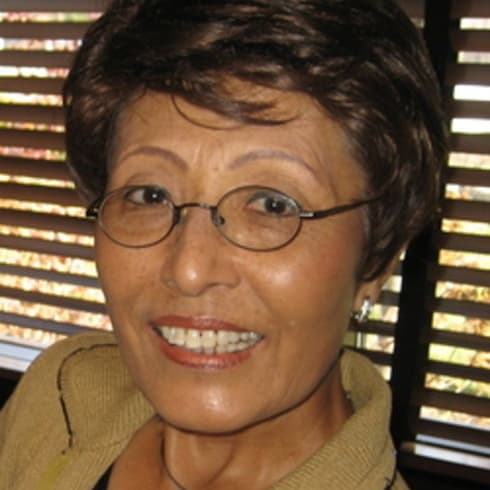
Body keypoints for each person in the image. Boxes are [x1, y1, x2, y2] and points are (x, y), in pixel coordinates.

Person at [0, 0, 447, 488]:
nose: (190, 269)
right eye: (150, 195)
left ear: (376, 260)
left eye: (272, 205)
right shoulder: (60, 399)